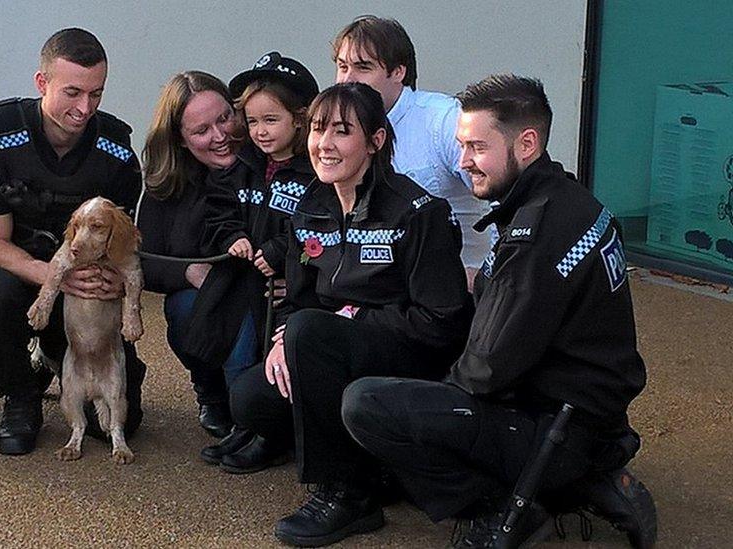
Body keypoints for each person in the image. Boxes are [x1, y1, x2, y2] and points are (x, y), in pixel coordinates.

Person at [341, 74, 657, 548]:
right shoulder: (566, 199)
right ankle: (585, 478)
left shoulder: (537, 235)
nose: (464, 162)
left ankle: (510, 507)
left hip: (556, 427)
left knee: (367, 405)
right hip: (586, 413)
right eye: (461, 146)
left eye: (477, 148)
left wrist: (426, 395)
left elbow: (485, 368)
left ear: (526, 143)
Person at [229, 83, 474, 547]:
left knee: (309, 335)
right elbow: (296, 297)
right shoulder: (312, 206)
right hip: (329, 344)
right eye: (319, 130)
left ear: (376, 141)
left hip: (412, 356)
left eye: (342, 132)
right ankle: (374, 461)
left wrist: (346, 321)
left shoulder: (419, 212)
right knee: (250, 400)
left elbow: (441, 321)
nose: (325, 144)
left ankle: (348, 493)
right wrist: (283, 342)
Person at [0, 28, 147, 456]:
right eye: (72, 92)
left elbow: (124, 246)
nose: (85, 108)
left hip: (85, 287)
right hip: (13, 269)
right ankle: (19, 394)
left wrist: (116, 284)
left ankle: (54, 357)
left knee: (122, 422)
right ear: (42, 83)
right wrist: (56, 281)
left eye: (96, 94)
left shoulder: (116, 152)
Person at [198, 52, 318, 469]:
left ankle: (273, 434)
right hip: (245, 284)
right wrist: (233, 236)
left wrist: (281, 253)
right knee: (240, 352)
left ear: (299, 119)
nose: (260, 131)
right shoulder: (243, 165)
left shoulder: (315, 172)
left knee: (276, 360)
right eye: (251, 121)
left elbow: (316, 227)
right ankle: (246, 426)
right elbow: (218, 209)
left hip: (289, 290)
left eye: (271, 120)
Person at [332, 15, 493, 287]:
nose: (347, 80)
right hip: (376, 291)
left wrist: (489, 277)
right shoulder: (335, 125)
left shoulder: (441, 120)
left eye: (363, 67)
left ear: (398, 72)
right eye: (342, 66)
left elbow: (499, 198)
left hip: (453, 293)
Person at [137, 71, 254, 440]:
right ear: (182, 142)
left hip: (269, 296)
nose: (220, 136)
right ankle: (213, 394)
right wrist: (188, 273)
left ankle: (252, 413)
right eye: (202, 130)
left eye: (225, 118)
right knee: (185, 307)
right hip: (207, 301)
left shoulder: (269, 160)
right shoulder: (166, 183)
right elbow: (145, 260)